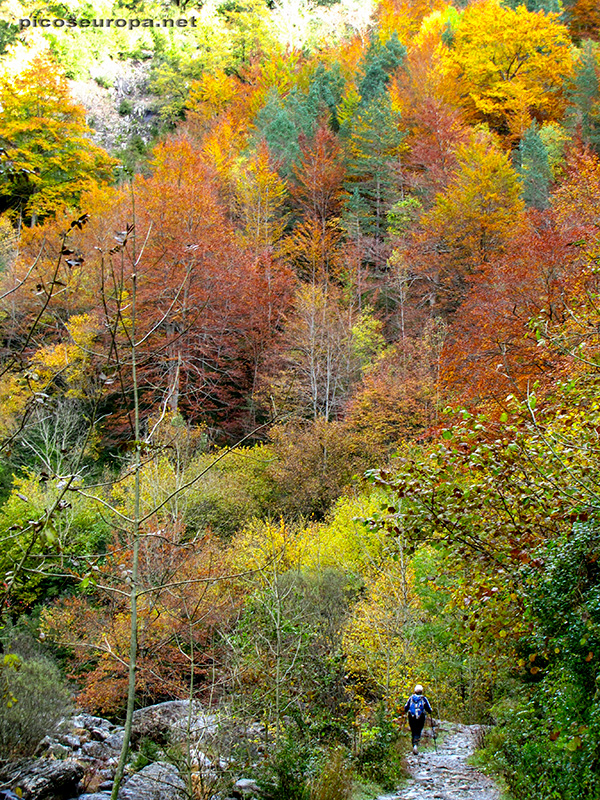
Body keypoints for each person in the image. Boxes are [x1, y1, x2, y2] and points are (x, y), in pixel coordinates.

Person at [404, 684, 433, 755]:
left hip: (411, 716)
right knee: (418, 730)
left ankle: (414, 745)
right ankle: (416, 744)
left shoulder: (411, 698)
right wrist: (430, 711)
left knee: (413, 730)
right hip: (421, 716)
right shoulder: (423, 699)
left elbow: (405, 708)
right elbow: (428, 709)